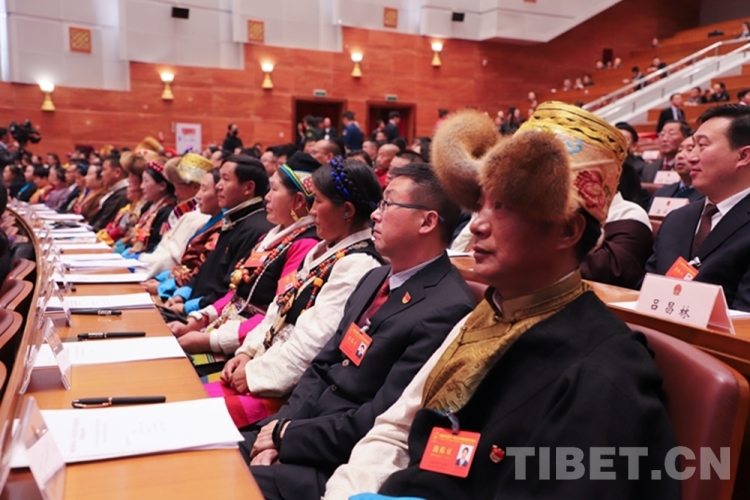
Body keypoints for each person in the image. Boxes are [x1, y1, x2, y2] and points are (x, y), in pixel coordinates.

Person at [325, 103, 678, 500]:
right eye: (481, 203)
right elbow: (395, 431)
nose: (477, 223)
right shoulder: (485, 314)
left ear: (567, 231)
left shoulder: (605, 372)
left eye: (504, 207)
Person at [241, 162, 475, 500]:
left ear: (427, 222)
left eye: (388, 204)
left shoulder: (447, 308)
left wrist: (286, 437)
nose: (375, 215)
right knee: (210, 451)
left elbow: (381, 416)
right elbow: (322, 367)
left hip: (337, 463)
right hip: (300, 430)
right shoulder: (374, 278)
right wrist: (274, 433)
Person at [196, 158, 386, 429]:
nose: (311, 210)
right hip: (264, 365)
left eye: (317, 201)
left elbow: (314, 343)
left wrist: (255, 373)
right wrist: (247, 352)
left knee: (195, 412)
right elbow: (278, 308)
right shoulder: (322, 250)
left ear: (347, 210)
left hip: (288, 390)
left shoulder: (358, 264)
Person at [170, 152, 324, 358]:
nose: (266, 197)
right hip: (224, 327)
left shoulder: (305, 245)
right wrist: (198, 320)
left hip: (250, 345)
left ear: (298, 201)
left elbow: (278, 313)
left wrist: (211, 340)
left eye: (274, 189)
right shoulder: (271, 236)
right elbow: (237, 293)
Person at [645, 104, 750, 311]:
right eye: (692, 146)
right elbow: (646, 291)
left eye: (702, 145)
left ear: (743, 156)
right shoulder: (676, 219)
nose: (691, 157)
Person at [160, 155, 273, 317]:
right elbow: (208, 270)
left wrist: (188, 307)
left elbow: (230, 290)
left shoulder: (256, 229)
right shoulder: (235, 219)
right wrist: (183, 294)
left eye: (225, 179)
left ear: (248, 188)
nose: (218, 186)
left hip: (209, 315)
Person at [142, 169, 224, 297]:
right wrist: (163, 278)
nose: (198, 195)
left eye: (203, 189)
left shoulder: (207, 221)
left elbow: (200, 271)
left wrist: (166, 287)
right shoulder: (207, 220)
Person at [139, 153, 214, 277]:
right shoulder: (180, 211)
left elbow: (175, 257)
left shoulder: (198, 217)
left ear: (195, 187)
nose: (175, 193)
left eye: (178, 187)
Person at [119, 160, 175, 256]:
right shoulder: (148, 206)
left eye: (146, 181)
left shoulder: (167, 212)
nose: (141, 186)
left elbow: (157, 245)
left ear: (162, 186)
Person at [97, 152, 148, 246]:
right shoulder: (132, 205)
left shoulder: (144, 207)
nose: (128, 180)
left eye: (132, 176)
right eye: (129, 175)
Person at [650, 136, 704, 205]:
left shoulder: (710, 195)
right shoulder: (661, 193)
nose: (680, 155)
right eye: (679, 150)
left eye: (690, 150)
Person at [88, 155, 130, 231]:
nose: (101, 174)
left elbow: (102, 225)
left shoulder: (122, 195)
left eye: (104, 169)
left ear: (117, 172)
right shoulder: (116, 192)